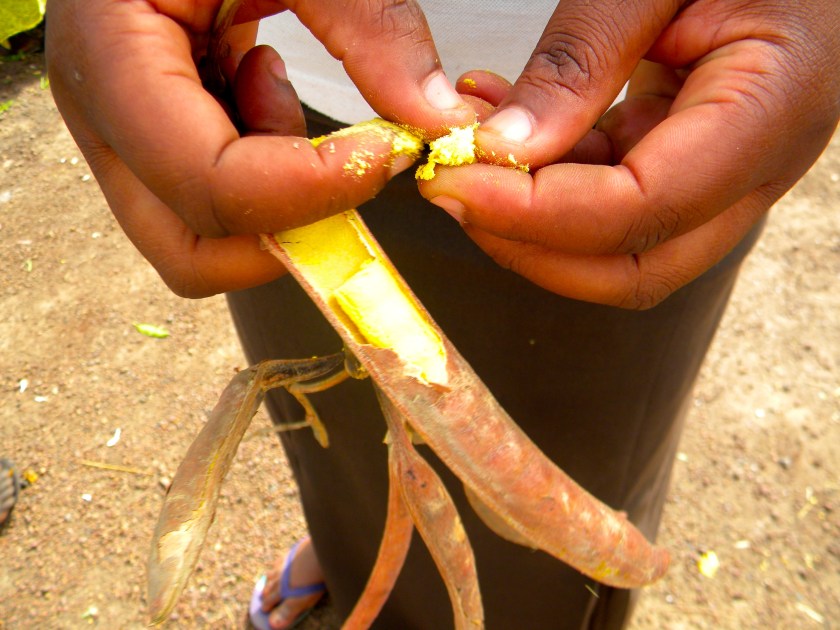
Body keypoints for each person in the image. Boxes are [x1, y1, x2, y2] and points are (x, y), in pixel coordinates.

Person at [46, 1, 839, 629]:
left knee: (574, 465)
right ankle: (354, 553)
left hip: (643, 121)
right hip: (275, 92)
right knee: (331, 421)